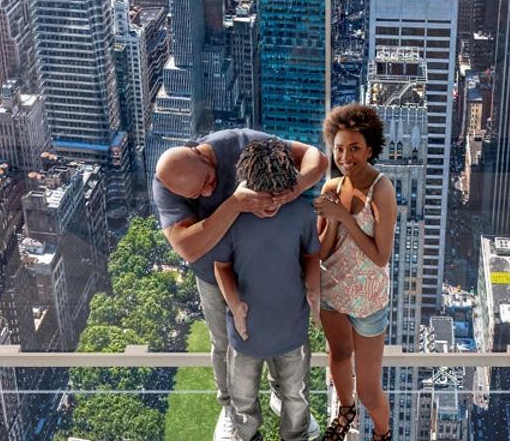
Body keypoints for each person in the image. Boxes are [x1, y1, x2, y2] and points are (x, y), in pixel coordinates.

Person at [153, 129, 327, 439]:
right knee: (225, 345)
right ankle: (231, 408)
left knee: (282, 334)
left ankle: (282, 396)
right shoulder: (166, 185)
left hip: (274, 267)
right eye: (195, 197)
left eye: (208, 182)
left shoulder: (240, 143)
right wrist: (234, 204)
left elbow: (317, 158)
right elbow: (188, 248)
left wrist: (289, 191)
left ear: (199, 153)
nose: (206, 194)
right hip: (215, 275)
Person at [214, 139, 321, 441]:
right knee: (243, 402)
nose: (272, 203)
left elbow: (311, 256)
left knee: (296, 398)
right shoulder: (232, 218)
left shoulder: (301, 214)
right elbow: (220, 267)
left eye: (279, 195)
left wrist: (314, 291)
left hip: (292, 328)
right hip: (246, 334)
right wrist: (235, 306)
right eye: (264, 195)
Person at [313, 104, 396, 441]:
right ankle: (344, 412)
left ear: (371, 148)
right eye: (339, 148)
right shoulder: (331, 188)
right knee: (338, 359)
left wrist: (345, 217)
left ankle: (382, 433)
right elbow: (322, 251)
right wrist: (333, 217)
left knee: (369, 389)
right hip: (332, 291)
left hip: (369, 299)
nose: (345, 157)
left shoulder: (382, 190)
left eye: (355, 148)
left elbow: (380, 256)